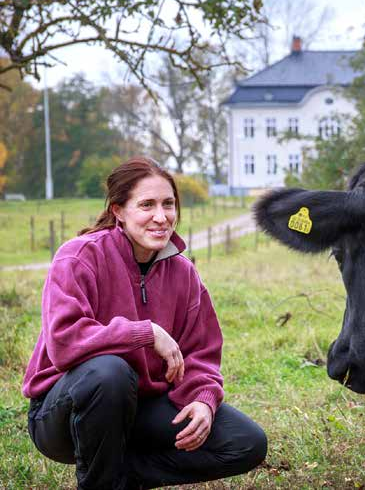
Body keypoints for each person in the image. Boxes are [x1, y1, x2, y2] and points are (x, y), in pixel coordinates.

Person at [22, 157, 267, 489]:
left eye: (168, 204)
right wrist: (145, 332)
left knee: (245, 442)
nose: (161, 217)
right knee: (110, 371)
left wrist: (204, 398)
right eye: (147, 205)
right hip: (63, 413)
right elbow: (65, 343)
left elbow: (200, 352)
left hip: (140, 408)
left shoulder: (183, 273)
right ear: (118, 210)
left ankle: (119, 477)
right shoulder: (79, 257)